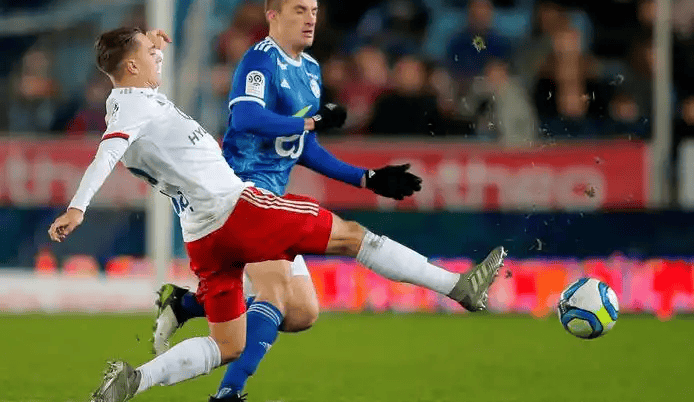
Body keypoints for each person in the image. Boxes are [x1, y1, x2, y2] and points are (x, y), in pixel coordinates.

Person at [48, 26, 506, 402]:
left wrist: (149, 42)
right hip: (237, 208)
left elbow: (134, 89)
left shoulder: (133, 100)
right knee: (351, 237)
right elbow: (107, 153)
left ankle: (135, 380)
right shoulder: (131, 108)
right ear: (131, 67)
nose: (158, 58)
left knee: (229, 344)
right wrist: (77, 207)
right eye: (149, 55)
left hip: (202, 235)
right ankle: (458, 287)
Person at [151, 0, 427, 402]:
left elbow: (303, 146)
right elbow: (247, 118)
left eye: (314, 11)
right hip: (240, 196)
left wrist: (366, 178)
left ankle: (187, 304)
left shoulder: (311, 70)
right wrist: (309, 121)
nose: (310, 18)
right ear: (274, 16)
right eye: (300, 10)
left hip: (271, 199)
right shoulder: (259, 61)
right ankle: (229, 393)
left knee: (303, 312)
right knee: (276, 292)